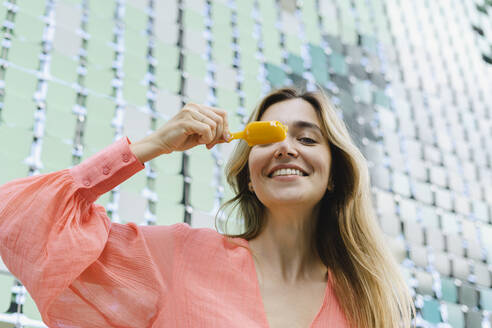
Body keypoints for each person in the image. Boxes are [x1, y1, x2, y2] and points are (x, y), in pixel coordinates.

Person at [0, 86, 415, 327]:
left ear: (336, 174)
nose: (286, 148)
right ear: (249, 177)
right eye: (267, 140)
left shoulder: (369, 302)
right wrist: (151, 146)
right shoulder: (177, 257)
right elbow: (18, 216)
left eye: (307, 139)